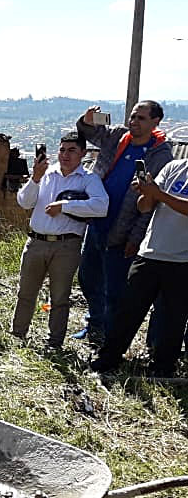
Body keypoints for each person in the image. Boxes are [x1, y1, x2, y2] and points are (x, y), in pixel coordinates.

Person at [73, 102, 171, 343]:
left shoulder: (160, 155)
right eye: (133, 116)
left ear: (155, 122)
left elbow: (152, 203)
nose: (134, 121)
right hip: (97, 222)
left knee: (115, 289)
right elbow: (89, 133)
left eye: (141, 118)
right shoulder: (118, 137)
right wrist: (86, 120)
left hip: (123, 230)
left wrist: (136, 237)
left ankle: (111, 336)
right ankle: (95, 322)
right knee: (88, 277)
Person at [90, 157, 188, 378]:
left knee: (173, 318)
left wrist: (158, 193)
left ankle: (163, 368)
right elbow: (144, 206)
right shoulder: (175, 166)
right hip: (150, 253)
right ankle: (108, 359)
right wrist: (146, 192)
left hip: (182, 260)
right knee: (128, 311)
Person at [9, 133, 107, 349]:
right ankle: (17, 335)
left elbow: (101, 206)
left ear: (82, 153)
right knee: (26, 292)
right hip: (36, 242)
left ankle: (54, 343)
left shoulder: (88, 179)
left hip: (66, 245)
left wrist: (64, 206)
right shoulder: (46, 174)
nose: (65, 155)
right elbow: (24, 202)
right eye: (62, 150)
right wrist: (35, 177)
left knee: (60, 297)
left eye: (72, 150)